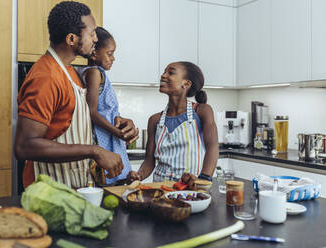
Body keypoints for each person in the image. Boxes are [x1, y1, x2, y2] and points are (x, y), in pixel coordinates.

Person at [14, 1, 138, 189]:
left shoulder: (71, 72)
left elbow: (80, 117)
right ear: (71, 39)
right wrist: (95, 151)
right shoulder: (46, 77)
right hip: (48, 190)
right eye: (92, 33)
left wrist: (118, 121)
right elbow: (24, 146)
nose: (96, 39)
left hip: (72, 186)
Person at [126, 61, 218, 189]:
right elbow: (149, 161)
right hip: (160, 188)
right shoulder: (154, 120)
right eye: (164, 72)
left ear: (186, 83)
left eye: (170, 72)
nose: (163, 75)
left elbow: (212, 148)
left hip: (190, 188)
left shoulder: (202, 111)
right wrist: (138, 175)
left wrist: (204, 179)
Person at [79, 27, 136, 185]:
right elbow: (91, 111)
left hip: (110, 135)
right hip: (104, 136)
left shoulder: (98, 73)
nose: (113, 58)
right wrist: (117, 132)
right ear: (95, 53)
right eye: (109, 53)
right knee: (108, 182)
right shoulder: (94, 73)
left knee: (117, 181)